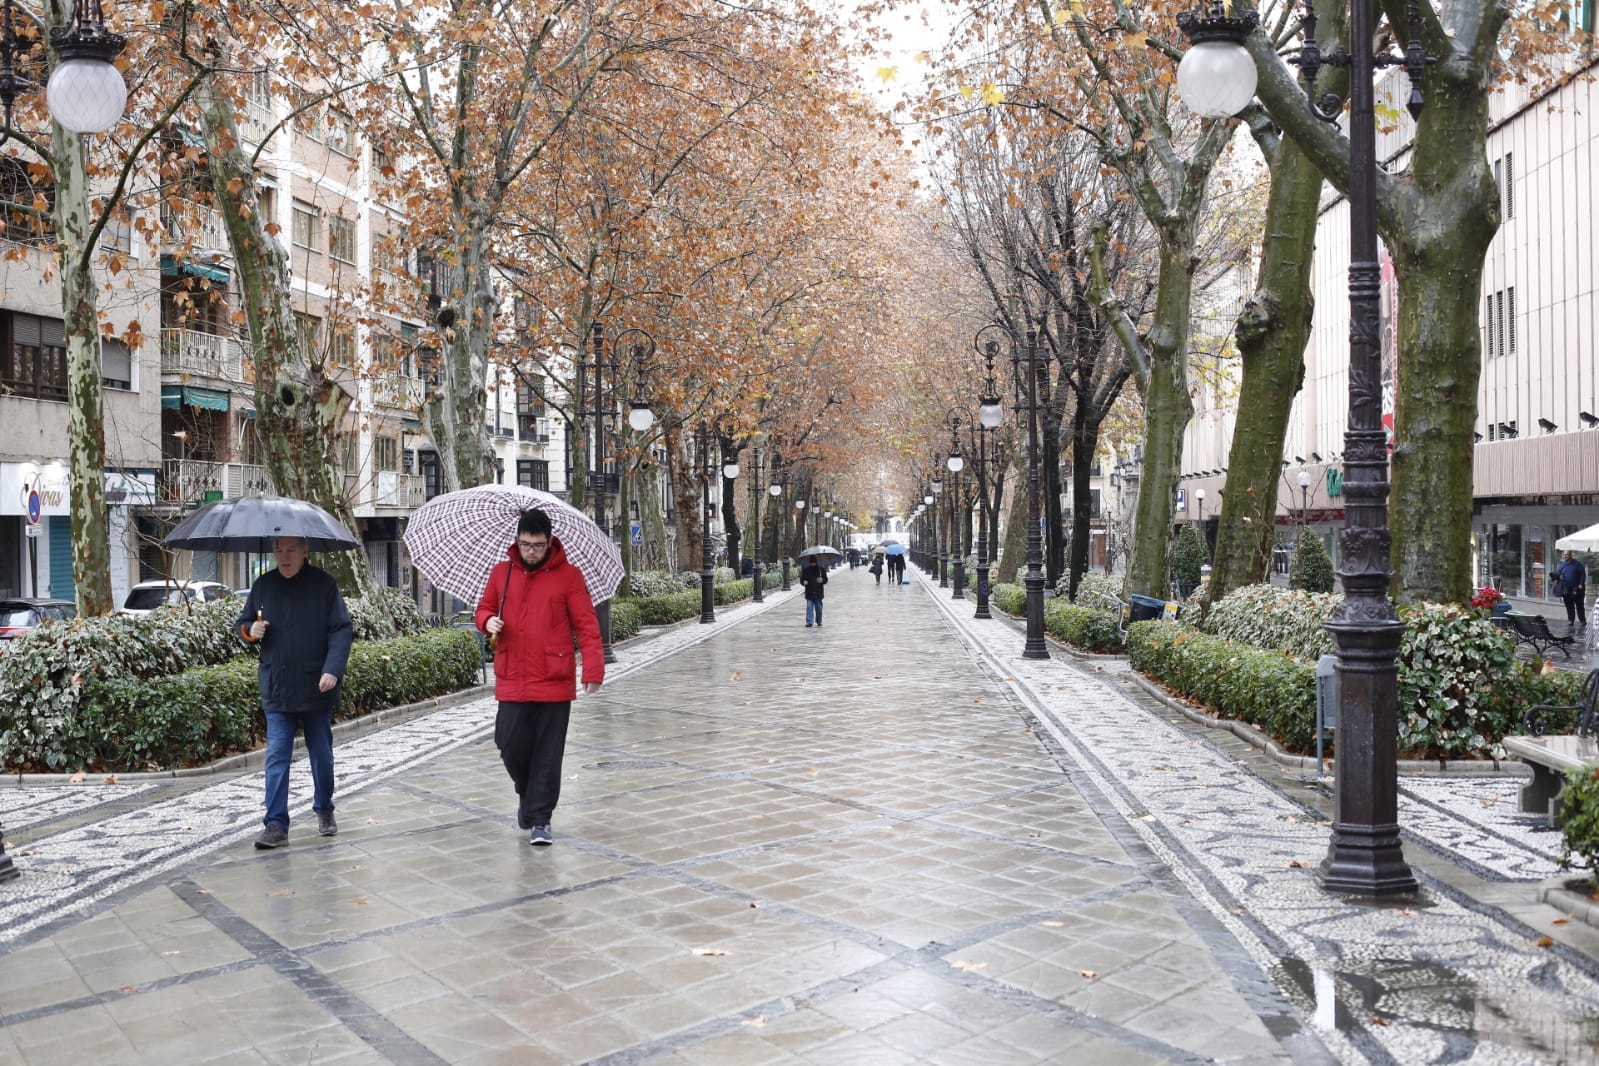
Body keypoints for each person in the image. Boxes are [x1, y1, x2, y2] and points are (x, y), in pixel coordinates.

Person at [476, 508, 604, 846]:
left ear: (550, 542)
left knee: (548, 753)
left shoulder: (569, 577)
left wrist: (593, 669)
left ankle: (541, 819)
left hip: (553, 677)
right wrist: (487, 621)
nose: (531, 552)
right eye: (525, 545)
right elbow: (483, 608)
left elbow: (587, 626)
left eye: (537, 545)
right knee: (509, 744)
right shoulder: (501, 573)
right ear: (516, 541)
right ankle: (527, 794)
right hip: (512, 675)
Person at [237, 536, 352, 849]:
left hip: (317, 684)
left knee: (321, 755)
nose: (284, 557)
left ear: (305, 551)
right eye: (279, 550)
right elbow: (244, 623)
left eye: (291, 550)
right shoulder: (263, 585)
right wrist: (251, 631)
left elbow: (341, 629)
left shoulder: (324, 585)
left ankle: (324, 808)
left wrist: (333, 669)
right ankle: (275, 825)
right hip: (277, 685)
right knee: (276, 756)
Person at [1556, 550, 1588, 631]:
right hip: (1566, 589)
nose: (1565, 556)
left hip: (1577, 589)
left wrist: (1581, 584)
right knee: (1569, 606)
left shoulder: (1577, 564)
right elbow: (1558, 574)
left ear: (1571, 555)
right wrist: (1559, 577)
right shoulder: (1562, 565)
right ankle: (1571, 620)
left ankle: (1582, 620)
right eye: (1564, 554)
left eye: (1566, 554)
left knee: (1579, 605)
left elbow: (1582, 574)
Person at [800, 554, 828, 626]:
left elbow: (826, 579)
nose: (812, 564)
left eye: (814, 562)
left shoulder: (821, 570)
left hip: (818, 592)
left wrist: (822, 580)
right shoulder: (806, 570)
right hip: (809, 592)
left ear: (816, 562)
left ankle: (819, 621)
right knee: (809, 607)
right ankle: (809, 622)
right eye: (811, 563)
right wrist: (804, 582)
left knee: (819, 608)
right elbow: (802, 579)